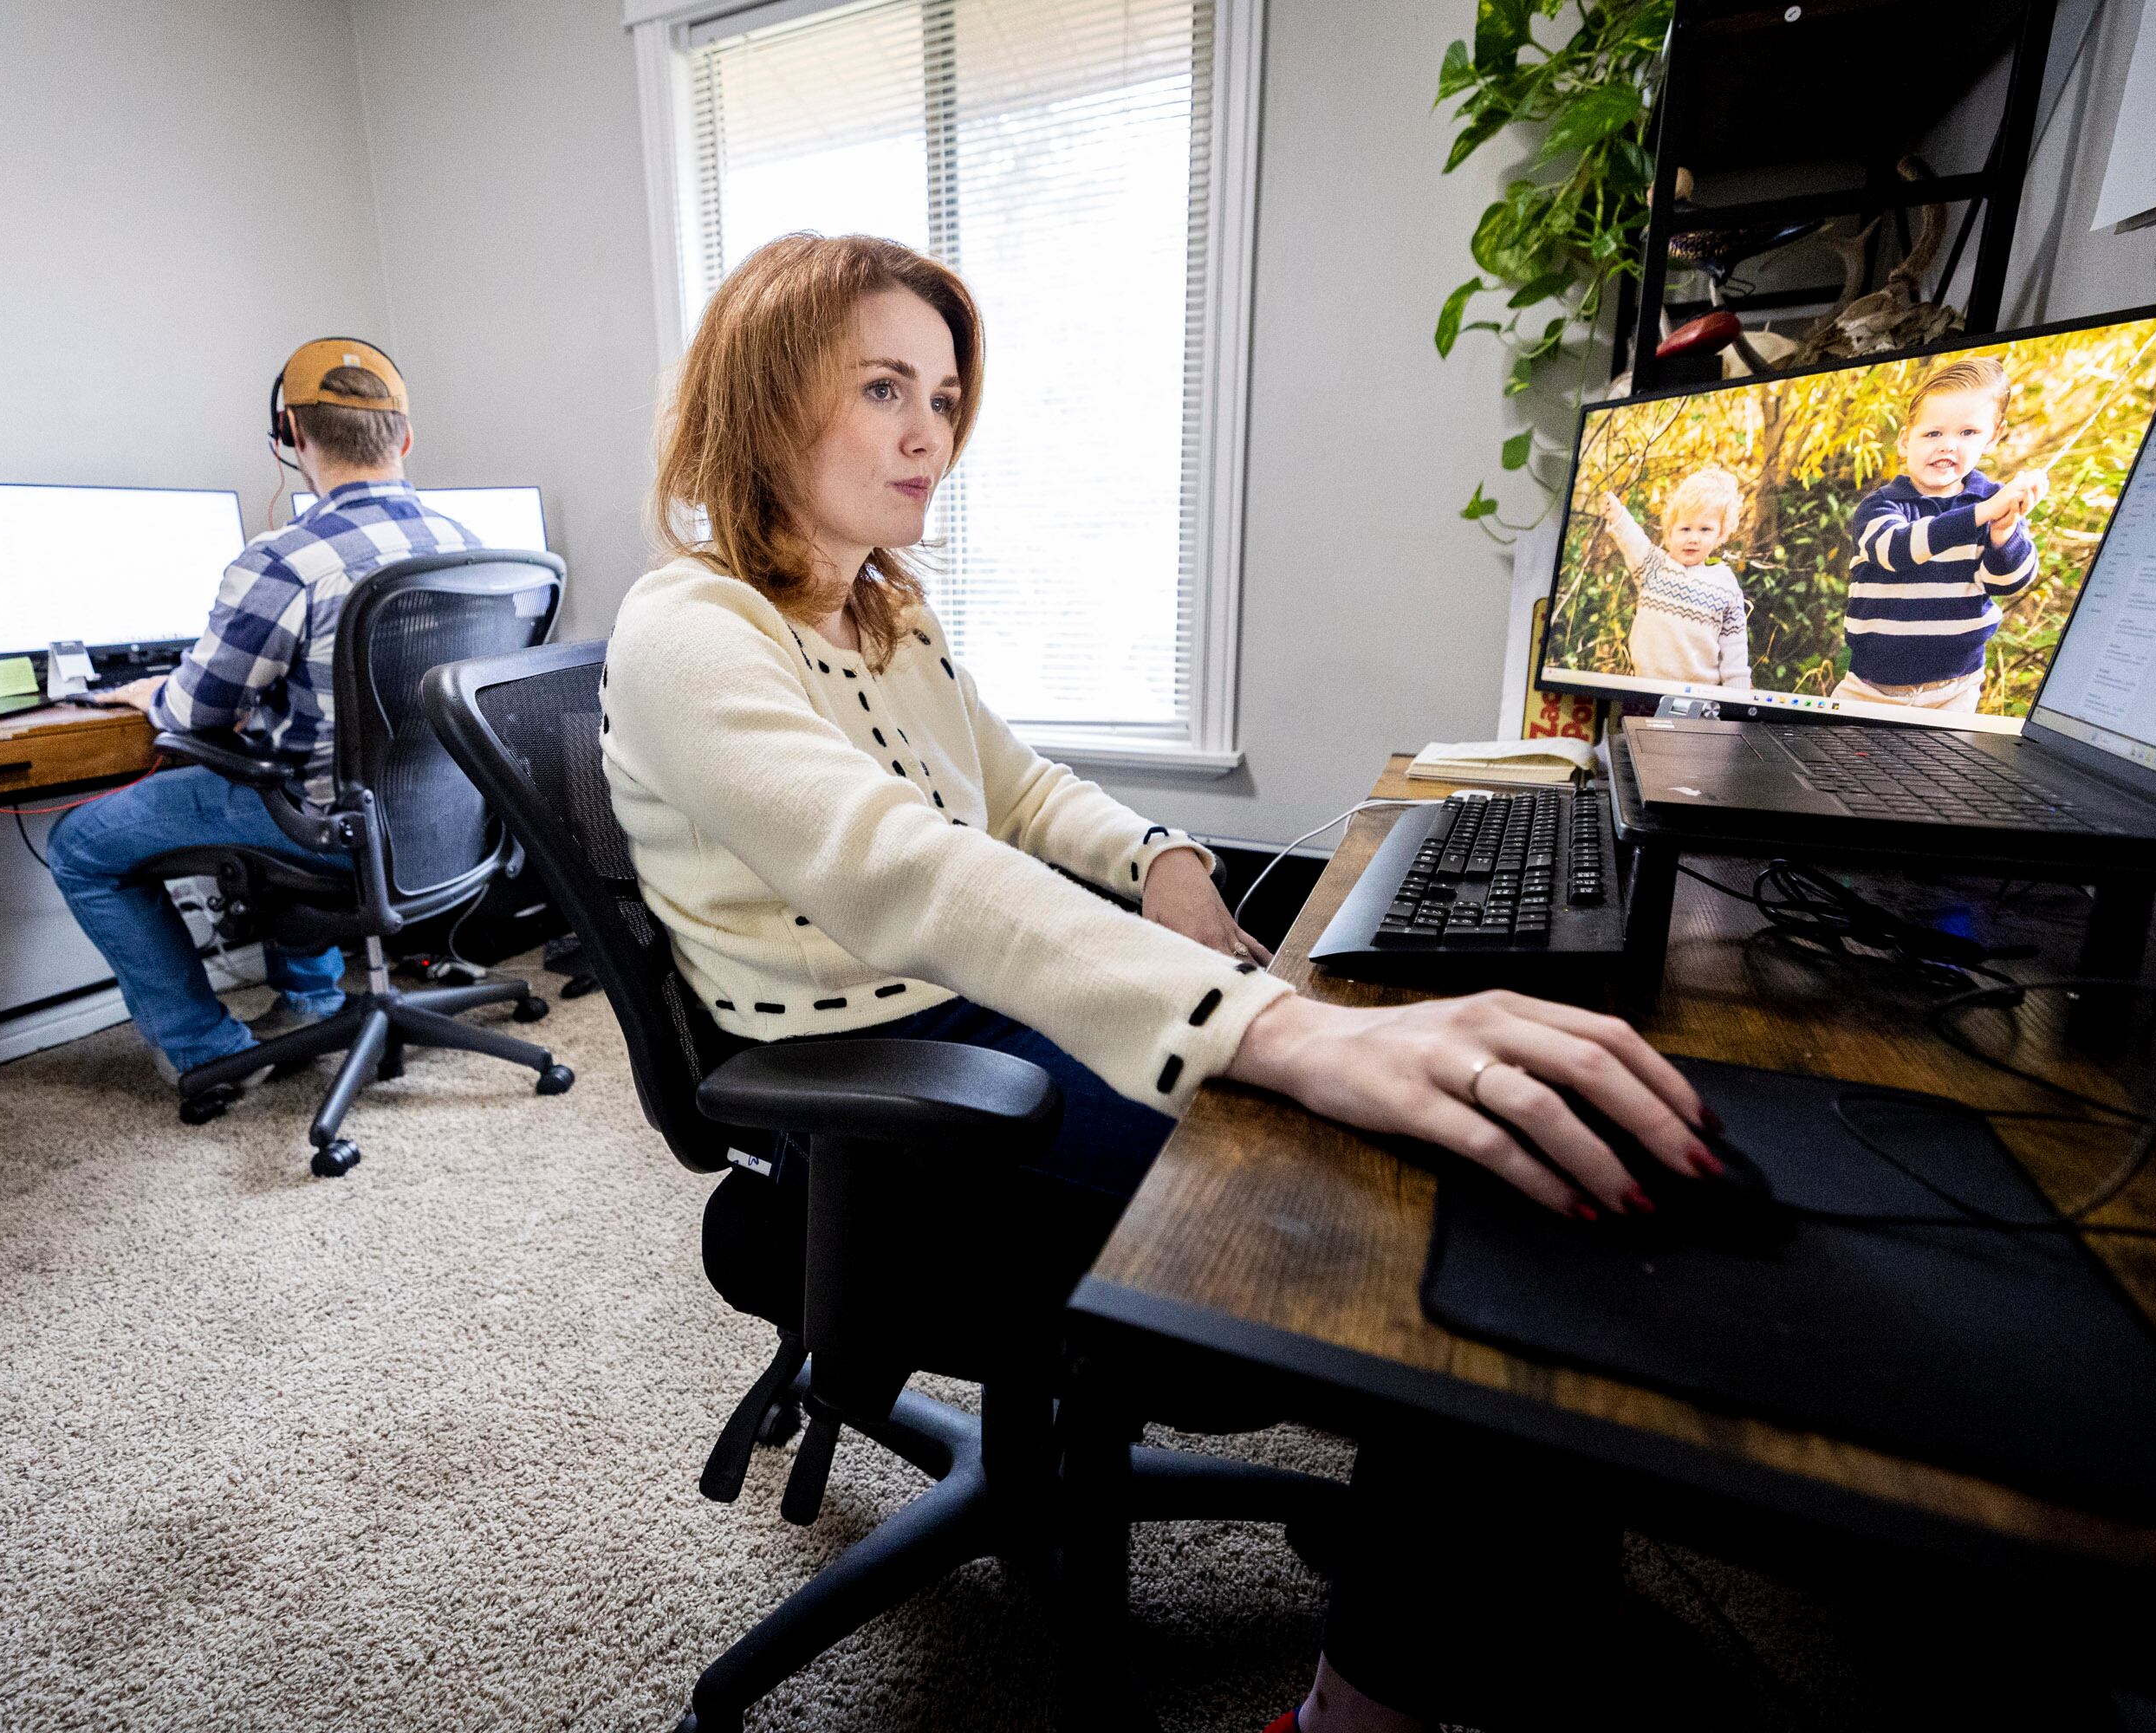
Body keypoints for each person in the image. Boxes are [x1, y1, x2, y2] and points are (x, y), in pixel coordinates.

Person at [601, 232, 1728, 1732]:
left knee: (1451, 1170)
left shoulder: (883, 608)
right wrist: (1278, 1035)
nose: (930, 431)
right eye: (883, 388)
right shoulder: (687, 631)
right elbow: (901, 866)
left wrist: (1161, 858)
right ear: (763, 396)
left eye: (943, 395)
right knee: (1410, 1224)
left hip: (985, 1016)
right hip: (888, 1102)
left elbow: (1011, 788)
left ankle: (1474, 1604)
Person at [46, 338, 482, 1088]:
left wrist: (152, 692)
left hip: (334, 829)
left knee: (80, 844)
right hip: (444, 825)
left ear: (292, 435)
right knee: (298, 760)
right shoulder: (469, 547)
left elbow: (195, 713)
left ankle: (208, 1049)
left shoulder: (286, 561)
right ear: (406, 439)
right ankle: (312, 1000)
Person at [1833, 355, 2047, 713]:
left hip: (1954, 690)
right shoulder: (1881, 505)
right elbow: (1897, 550)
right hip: (1870, 690)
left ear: (1993, 437)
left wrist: (2004, 530)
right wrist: (1983, 514)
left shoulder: (1993, 503)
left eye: (1968, 433)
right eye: (1933, 433)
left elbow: (2007, 583)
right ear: (1905, 440)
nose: (1948, 445)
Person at [1601, 465, 1752, 691]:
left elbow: (1735, 651)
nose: (1694, 538)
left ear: (1720, 534)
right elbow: (1632, 538)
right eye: (1685, 529)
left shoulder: (1726, 584)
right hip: (1644, 688)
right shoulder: (1654, 566)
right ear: (1670, 530)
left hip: (1700, 695)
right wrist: (1617, 514)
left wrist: (1738, 698)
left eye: (1705, 530)